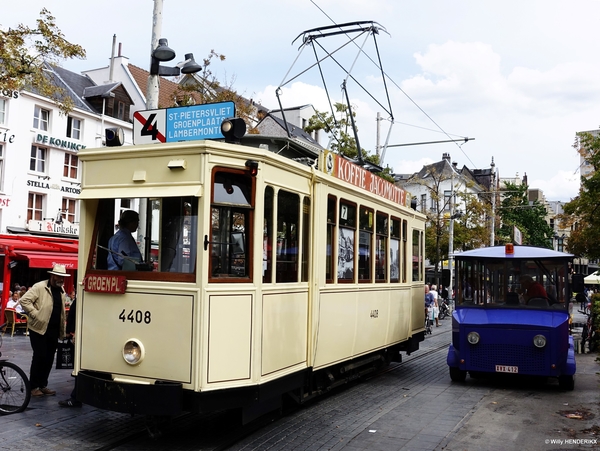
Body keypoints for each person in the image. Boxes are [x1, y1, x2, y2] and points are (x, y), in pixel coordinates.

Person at [19, 264, 70, 397]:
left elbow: (61, 311)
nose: (61, 280)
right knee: (39, 356)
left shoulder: (61, 290)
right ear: (52, 276)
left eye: (63, 277)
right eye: (59, 277)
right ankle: (33, 386)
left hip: (53, 330)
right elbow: (24, 300)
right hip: (38, 328)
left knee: (49, 358)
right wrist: (35, 314)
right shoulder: (40, 287)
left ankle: (42, 385)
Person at [58, 295, 82, 408]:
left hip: (77, 335)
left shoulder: (81, 300)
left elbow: (73, 316)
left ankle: (76, 397)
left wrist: (70, 332)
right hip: (75, 333)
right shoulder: (80, 299)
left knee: (78, 366)